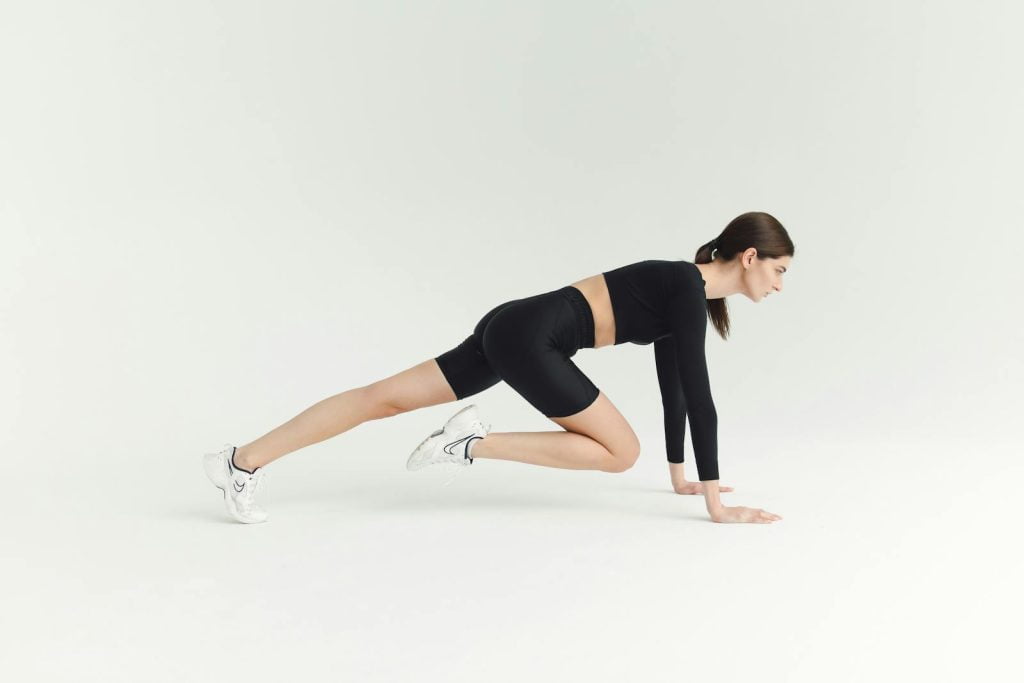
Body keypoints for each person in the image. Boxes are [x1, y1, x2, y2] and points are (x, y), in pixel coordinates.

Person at [203, 211, 794, 525]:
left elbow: (677, 390)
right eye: (780, 270)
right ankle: (470, 444)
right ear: (750, 257)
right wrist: (716, 506)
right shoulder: (685, 288)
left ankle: (241, 461)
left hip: (517, 326)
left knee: (379, 398)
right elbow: (701, 395)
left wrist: (680, 479)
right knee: (619, 451)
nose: (779, 284)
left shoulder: (685, 296)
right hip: (532, 336)